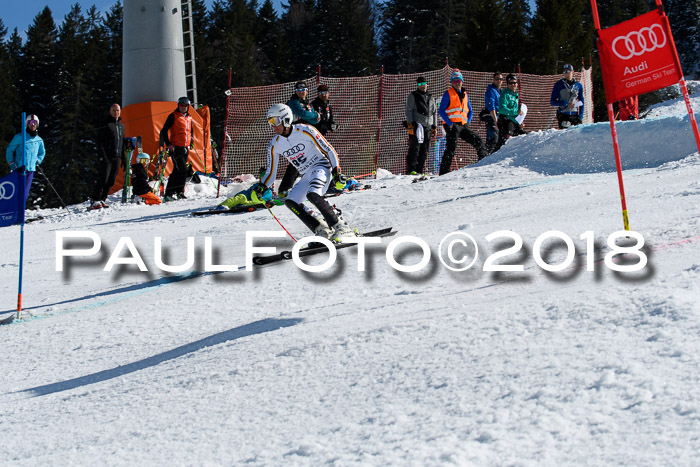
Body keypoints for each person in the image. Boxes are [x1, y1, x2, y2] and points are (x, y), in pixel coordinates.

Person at [256, 103, 355, 241]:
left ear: (286, 119)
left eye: (275, 121)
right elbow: (271, 171)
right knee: (291, 201)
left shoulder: (305, 130)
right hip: (306, 174)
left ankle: (342, 227)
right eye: (270, 122)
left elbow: (328, 149)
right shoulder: (274, 144)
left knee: (313, 194)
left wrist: (336, 171)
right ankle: (322, 229)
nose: (273, 125)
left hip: (320, 167)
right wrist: (262, 186)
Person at [438, 69, 489, 175]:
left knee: (478, 141)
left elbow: (470, 110)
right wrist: (450, 123)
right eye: (455, 81)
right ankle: (443, 172)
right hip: (452, 125)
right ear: (452, 82)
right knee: (451, 148)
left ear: (462, 81)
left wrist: (468, 122)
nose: (457, 83)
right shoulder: (448, 93)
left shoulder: (465, 94)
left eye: (459, 80)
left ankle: (483, 163)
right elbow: (441, 110)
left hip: (463, 125)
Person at [278, 81, 321, 196]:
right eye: (298, 90)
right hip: (292, 133)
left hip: (305, 133)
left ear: (307, 91)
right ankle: (284, 188)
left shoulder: (308, 104)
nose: (301, 92)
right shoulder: (293, 102)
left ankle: (315, 184)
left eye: (303, 90)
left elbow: (312, 120)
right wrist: (315, 115)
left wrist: (312, 116)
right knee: (297, 159)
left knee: (309, 158)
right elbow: (303, 114)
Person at [90, 103, 129, 209]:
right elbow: (99, 142)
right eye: (114, 111)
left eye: (117, 110)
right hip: (107, 156)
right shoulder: (106, 124)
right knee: (104, 178)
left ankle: (103, 198)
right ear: (110, 111)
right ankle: (95, 199)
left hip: (117, 156)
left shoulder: (121, 126)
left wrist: (124, 159)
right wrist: (103, 156)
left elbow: (122, 143)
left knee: (111, 180)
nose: (116, 113)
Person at [5, 114, 46, 205]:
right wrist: (12, 163)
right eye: (30, 122)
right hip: (20, 168)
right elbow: (10, 150)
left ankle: (20, 214)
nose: (33, 125)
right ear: (26, 124)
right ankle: (14, 213)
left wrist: (38, 160)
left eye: (35, 123)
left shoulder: (39, 140)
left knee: (25, 194)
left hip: (30, 170)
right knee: (18, 192)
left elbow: (42, 153)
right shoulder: (20, 137)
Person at [160, 96, 194, 201]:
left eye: (185, 106)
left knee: (178, 170)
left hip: (185, 147)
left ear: (188, 107)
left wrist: (191, 139)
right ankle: (172, 192)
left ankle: (176, 192)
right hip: (176, 147)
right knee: (182, 169)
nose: (183, 107)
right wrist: (168, 144)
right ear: (178, 106)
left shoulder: (189, 118)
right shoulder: (173, 116)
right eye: (181, 105)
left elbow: (190, 131)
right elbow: (164, 131)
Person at [405, 76, 437, 175]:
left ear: (427, 84)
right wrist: (410, 123)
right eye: (420, 84)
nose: (422, 86)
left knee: (425, 149)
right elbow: (409, 110)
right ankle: (411, 169)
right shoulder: (413, 95)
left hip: (428, 125)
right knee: (415, 148)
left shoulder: (431, 97)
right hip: (417, 126)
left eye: (424, 84)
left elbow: (434, 112)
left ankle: (420, 169)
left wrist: (434, 126)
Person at [495, 74, 527, 151]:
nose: (513, 85)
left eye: (514, 83)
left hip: (513, 121)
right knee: (504, 140)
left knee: (524, 135)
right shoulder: (505, 94)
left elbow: (516, 112)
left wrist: (519, 121)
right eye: (510, 83)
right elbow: (502, 109)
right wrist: (516, 112)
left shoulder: (516, 95)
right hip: (505, 120)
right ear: (507, 84)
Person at [550, 63, 584, 129]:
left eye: (568, 71)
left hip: (575, 115)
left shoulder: (578, 85)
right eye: (564, 72)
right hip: (563, 114)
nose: (566, 73)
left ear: (572, 72)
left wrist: (580, 116)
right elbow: (552, 101)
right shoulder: (558, 84)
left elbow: (582, 101)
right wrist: (564, 103)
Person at [483, 72, 503, 152]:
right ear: (493, 80)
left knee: (499, 140)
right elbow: (491, 107)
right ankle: (487, 156)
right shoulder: (491, 91)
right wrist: (495, 120)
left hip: (500, 118)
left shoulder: (500, 91)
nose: (499, 81)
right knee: (493, 140)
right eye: (497, 79)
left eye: (500, 79)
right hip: (493, 118)